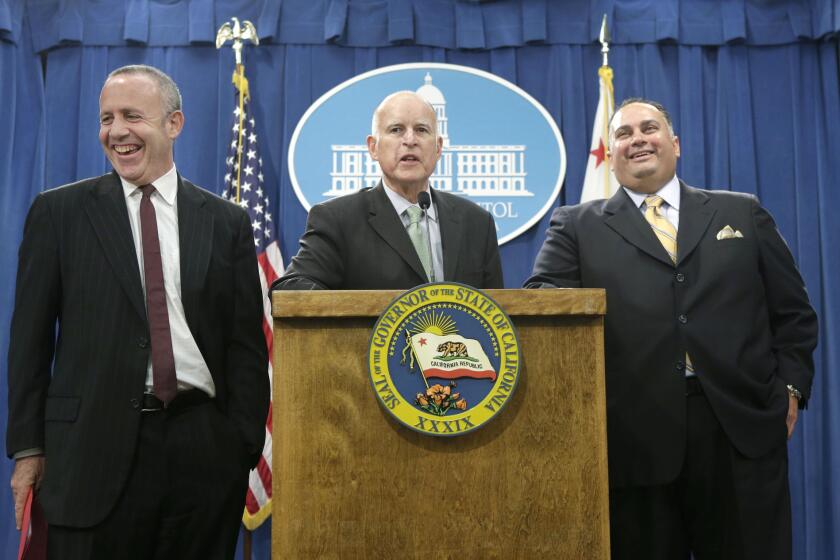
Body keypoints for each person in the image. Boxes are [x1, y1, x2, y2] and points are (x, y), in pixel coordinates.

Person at [526, 98, 818, 559]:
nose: (638, 139)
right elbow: (546, 312)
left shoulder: (741, 213)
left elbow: (794, 313)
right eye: (624, 134)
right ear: (611, 150)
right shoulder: (575, 226)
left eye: (649, 128)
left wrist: (791, 387)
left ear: (675, 144)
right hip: (632, 440)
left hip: (740, 431)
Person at [6, 65, 269, 559]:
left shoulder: (226, 221)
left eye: (132, 116)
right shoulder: (58, 213)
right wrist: (28, 449)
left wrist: (240, 446)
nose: (117, 132)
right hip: (90, 453)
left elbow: (244, 347)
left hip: (203, 452)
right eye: (106, 119)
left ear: (174, 124)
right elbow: (29, 343)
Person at [274, 91, 503, 290]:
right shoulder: (337, 220)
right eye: (396, 129)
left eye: (422, 130)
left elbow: (496, 313)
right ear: (373, 147)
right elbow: (292, 289)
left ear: (438, 147)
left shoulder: (477, 223)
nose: (410, 140)